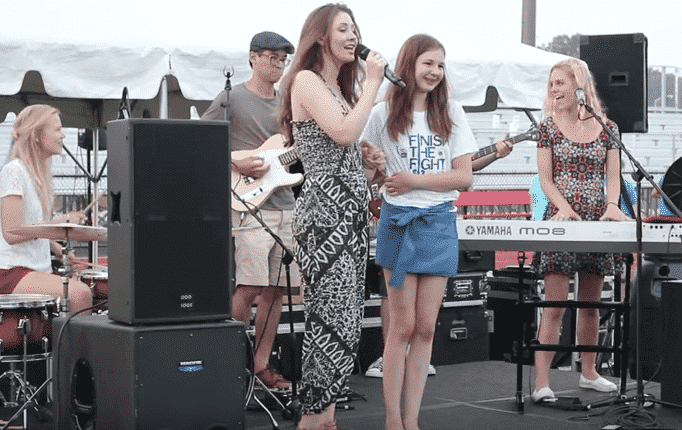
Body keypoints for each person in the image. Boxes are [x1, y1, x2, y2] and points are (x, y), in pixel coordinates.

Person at [277, 3, 386, 429]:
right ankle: (313, 420)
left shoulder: (338, 89)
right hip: (324, 218)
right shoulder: (305, 80)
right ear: (321, 37)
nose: (353, 35)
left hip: (351, 216)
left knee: (345, 323)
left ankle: (327, 420)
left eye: (355, 28)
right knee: (329, 320)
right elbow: (342, 132)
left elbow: (343, 147)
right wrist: (374, 82)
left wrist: (370, 169)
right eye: (344, 28)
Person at [362, 34, 478, 430]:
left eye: (441, 65)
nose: (435, 71)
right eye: (428, 63)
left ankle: (412, 420)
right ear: (409, 64)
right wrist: (375, 167)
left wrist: (415, 180)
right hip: (397, 222)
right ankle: (393, 420)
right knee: (402, 326)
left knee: (427, 327)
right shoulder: (380, 114)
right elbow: (371, 173)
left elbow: (465, 177)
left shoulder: (452, 112)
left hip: (439, 222)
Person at [364, 129, 513, 380]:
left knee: (423, 302)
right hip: (399, 213)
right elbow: (371, 166)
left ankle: (415, 355)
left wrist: (495, 155)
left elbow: (464, 170)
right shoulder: (389, 121)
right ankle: (388, 355)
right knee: (392, 290)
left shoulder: (446, 125)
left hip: (432, 218)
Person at [202, 31, 297, 391]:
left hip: (285, 203)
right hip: (248, 204)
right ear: (253, 58)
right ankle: (224, 362)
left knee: (276, 290)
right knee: (250, 284)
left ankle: (260, 366)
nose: (277, 64)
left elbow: (287, 151)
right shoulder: (232, 98)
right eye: (270, 57)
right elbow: (203, 141)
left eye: (282, 59)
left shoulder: (288, 102)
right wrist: (235, 160)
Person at [531, 59, 630, 403]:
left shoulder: (607, 126)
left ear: (578, 85)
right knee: (554, 305)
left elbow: (613, 177)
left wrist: (613, 206)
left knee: (591, 305)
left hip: (596, 219)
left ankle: (589, 372)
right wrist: (564, 208)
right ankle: (542, 382)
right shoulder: (548, 127)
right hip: (561, 218)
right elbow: (545, 178)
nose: (554, 90)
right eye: (551, 84)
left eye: (560, 82)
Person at [0, 104, 92, 313]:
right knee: (80, 294)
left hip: (34, 269)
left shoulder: (37, 177)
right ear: (37, 135)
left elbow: (31, 226)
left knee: (79, 285)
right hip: (11, 271)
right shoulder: (13, 171)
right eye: (57, 129)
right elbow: (12, 232)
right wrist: (62, 222)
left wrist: (57, 249)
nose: (63, 136)